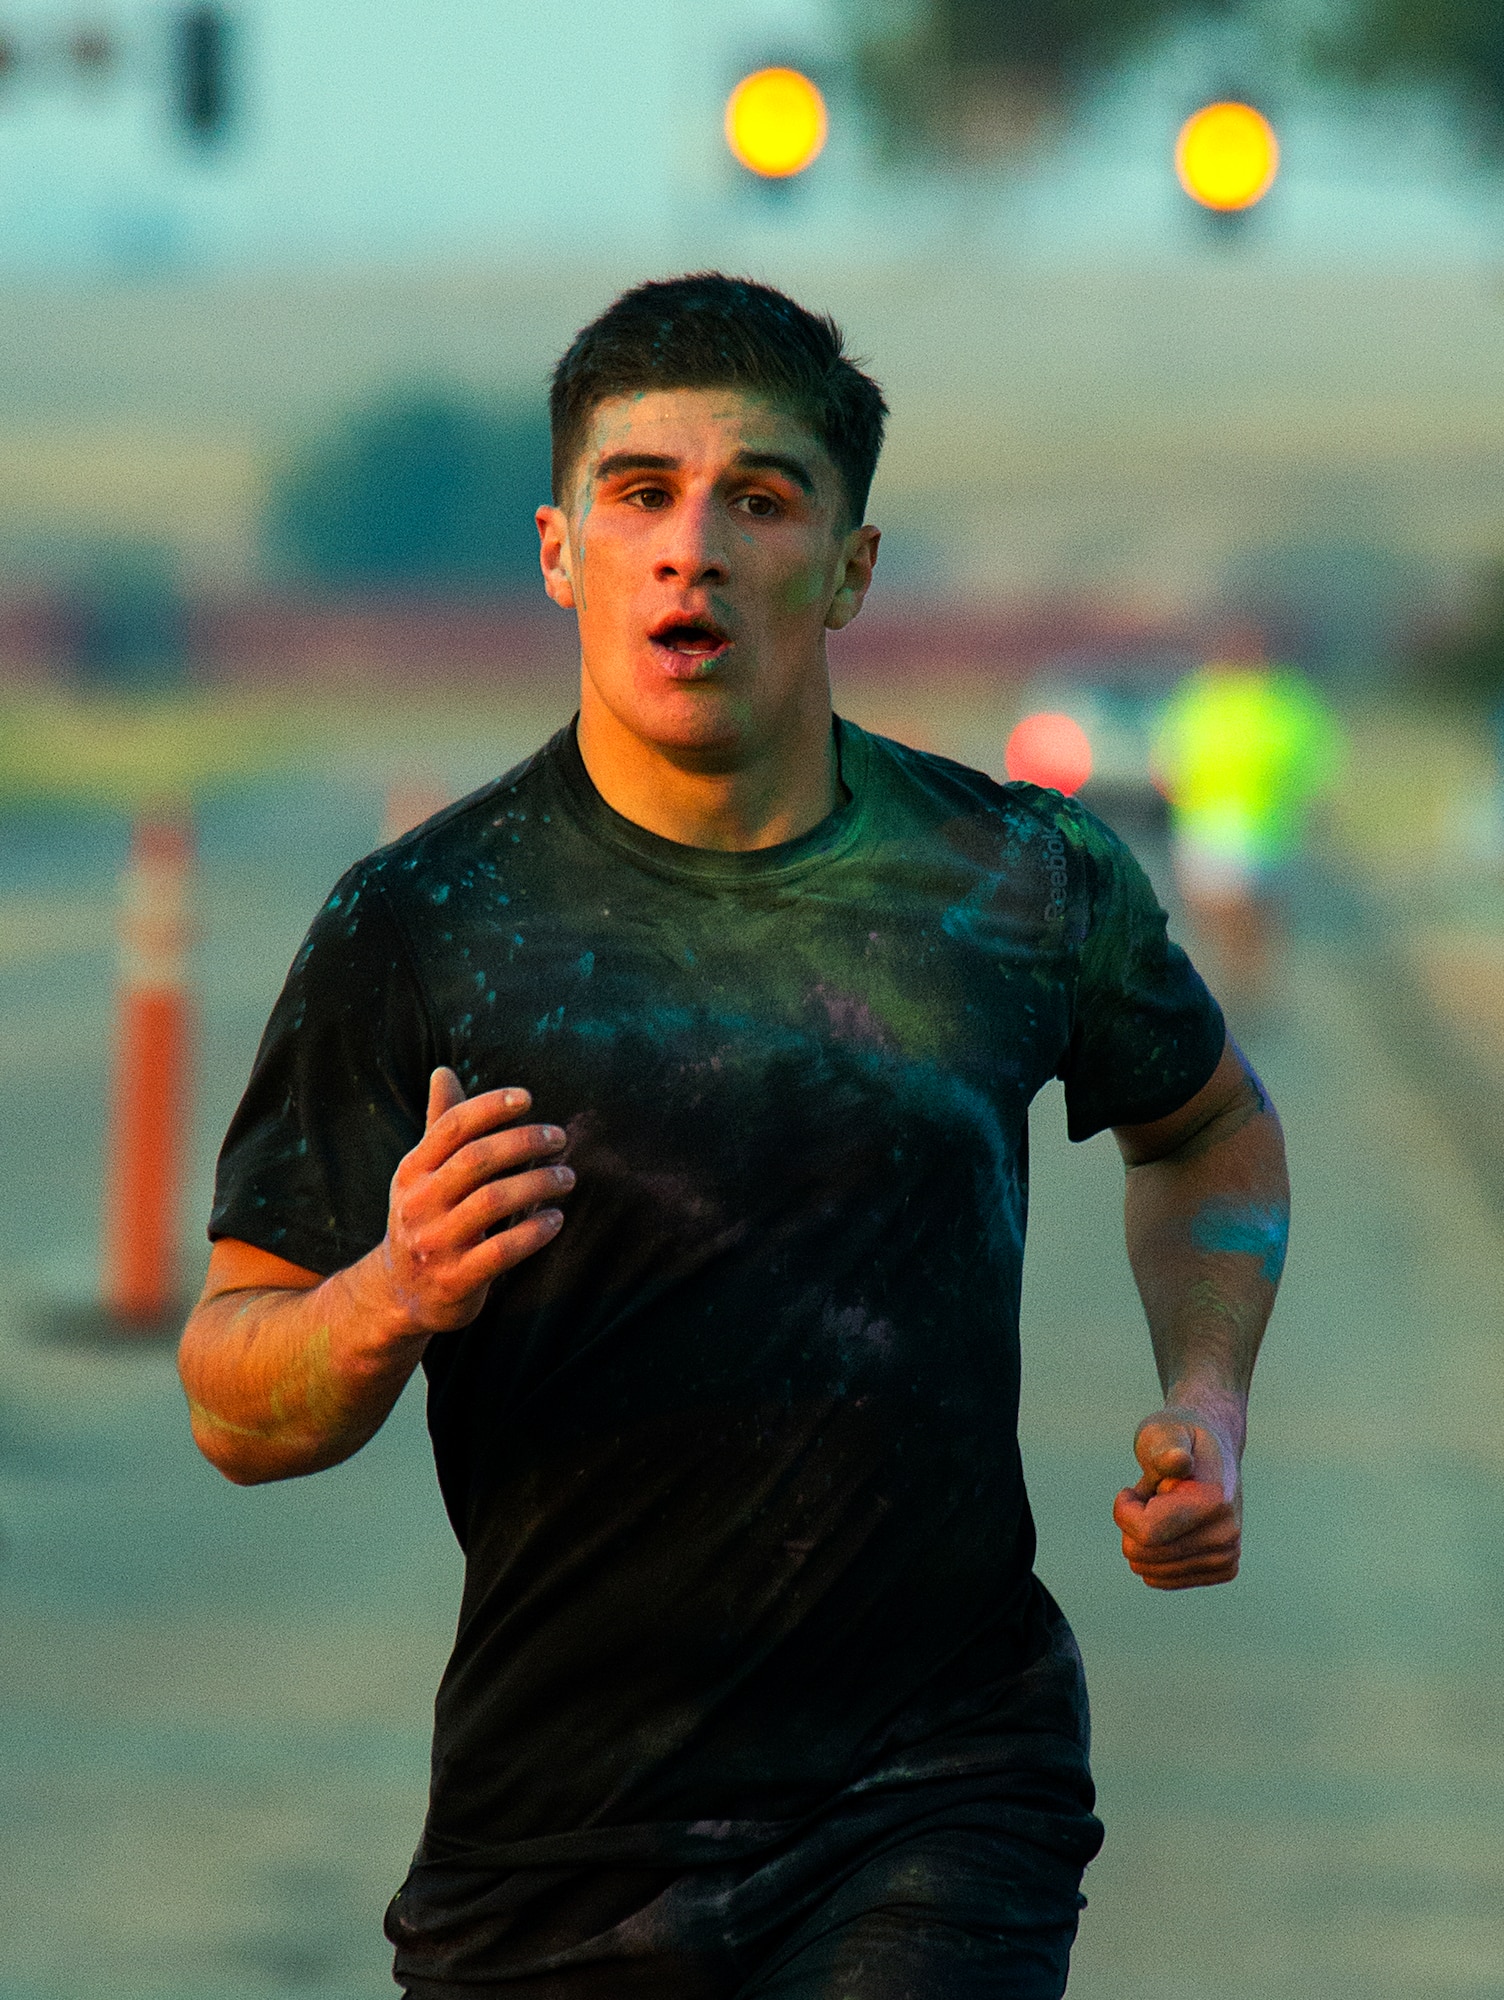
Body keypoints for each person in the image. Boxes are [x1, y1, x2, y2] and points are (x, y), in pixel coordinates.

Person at [178, 275, 1289, 2000]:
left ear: (844, 569)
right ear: (561, 549)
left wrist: (1207, 1404)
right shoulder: (422, 922)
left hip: (938, 1786)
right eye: (640, 494)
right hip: (553, 1838)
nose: (690, 546)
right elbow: (231, 1397)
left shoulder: (1019, 878)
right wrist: (385, 1296)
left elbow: (1205, 1130)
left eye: (756, 499)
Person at [1152, 659, 1341, 1005]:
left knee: (1242, 914)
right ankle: (1243, 979)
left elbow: (1167, 767)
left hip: (1251, 831)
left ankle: (1244, 982)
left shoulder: (1272, 703)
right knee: (1233, 914)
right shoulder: (1210, 700)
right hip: (1224, 829)